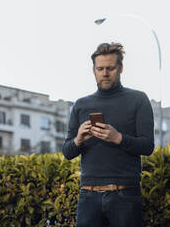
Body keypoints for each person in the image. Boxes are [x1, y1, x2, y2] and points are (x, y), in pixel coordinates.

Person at [62, 42, 155, 227]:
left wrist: (118, 138)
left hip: (125, 195)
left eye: (110, 68)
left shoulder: (138, 99)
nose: (105, 73)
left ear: (121, 68)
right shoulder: (81, 105)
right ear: (93, 70)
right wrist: (78, 139)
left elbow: (147, 146)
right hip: (88, 196)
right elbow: (67, 152)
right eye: (100, 68)